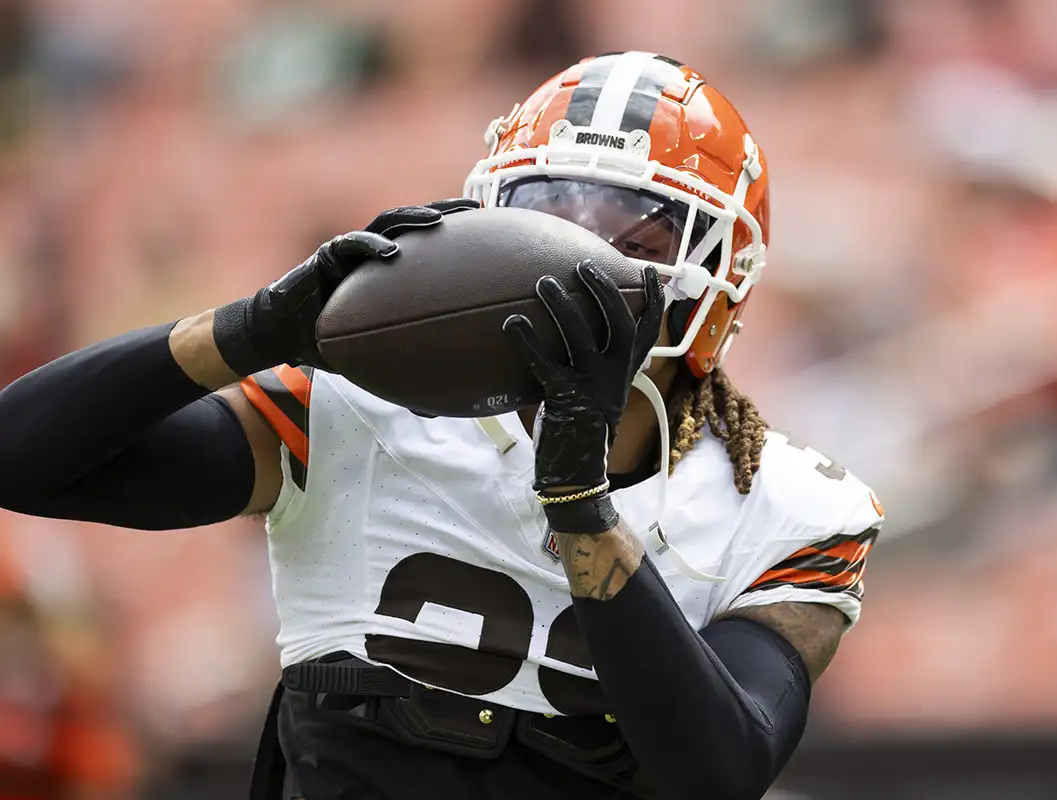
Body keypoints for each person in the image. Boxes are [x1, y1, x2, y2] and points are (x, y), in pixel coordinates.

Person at [0, 52, 883, 800]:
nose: (577, 266)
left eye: (635, 243)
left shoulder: (787, 506)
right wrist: (246, 330)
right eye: (547, 221)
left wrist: (579, 502)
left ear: (724, 273)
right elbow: (21, 459)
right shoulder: (362, 413)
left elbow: (717, 770)